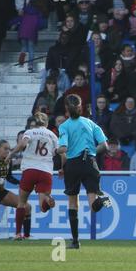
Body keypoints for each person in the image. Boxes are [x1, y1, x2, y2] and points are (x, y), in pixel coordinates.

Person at [57, 94, 111, 249]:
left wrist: (56, 153)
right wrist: (91, 151)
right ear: (80, 107)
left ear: (66, 109)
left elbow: (64, 149)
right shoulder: (90, 123)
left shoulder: (64, 126)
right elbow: (105, 146)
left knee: (73, 202)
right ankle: (103, 199)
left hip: (73, 165)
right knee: (93, 204)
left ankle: (75, 241)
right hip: (90, 162)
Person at [5, 113, 57, 240]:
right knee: (42, 207)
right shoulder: (53, 135)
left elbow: (23, 145)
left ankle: (18, 234)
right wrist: (62, 168)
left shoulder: (30, 132)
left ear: (35, 122)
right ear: (46, 123)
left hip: (30, 169)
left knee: (21, 203)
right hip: (45, 171)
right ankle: (47, 201)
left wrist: (11, 154)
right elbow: (60, 153)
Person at [0, 140, 32, 237]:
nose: (7, 151)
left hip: (0, 192)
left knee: (27, 207)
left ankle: (27, 236)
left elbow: (9, 177)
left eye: (9, 149)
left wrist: (20, 183)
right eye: (5, 148)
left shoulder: (8, 161)